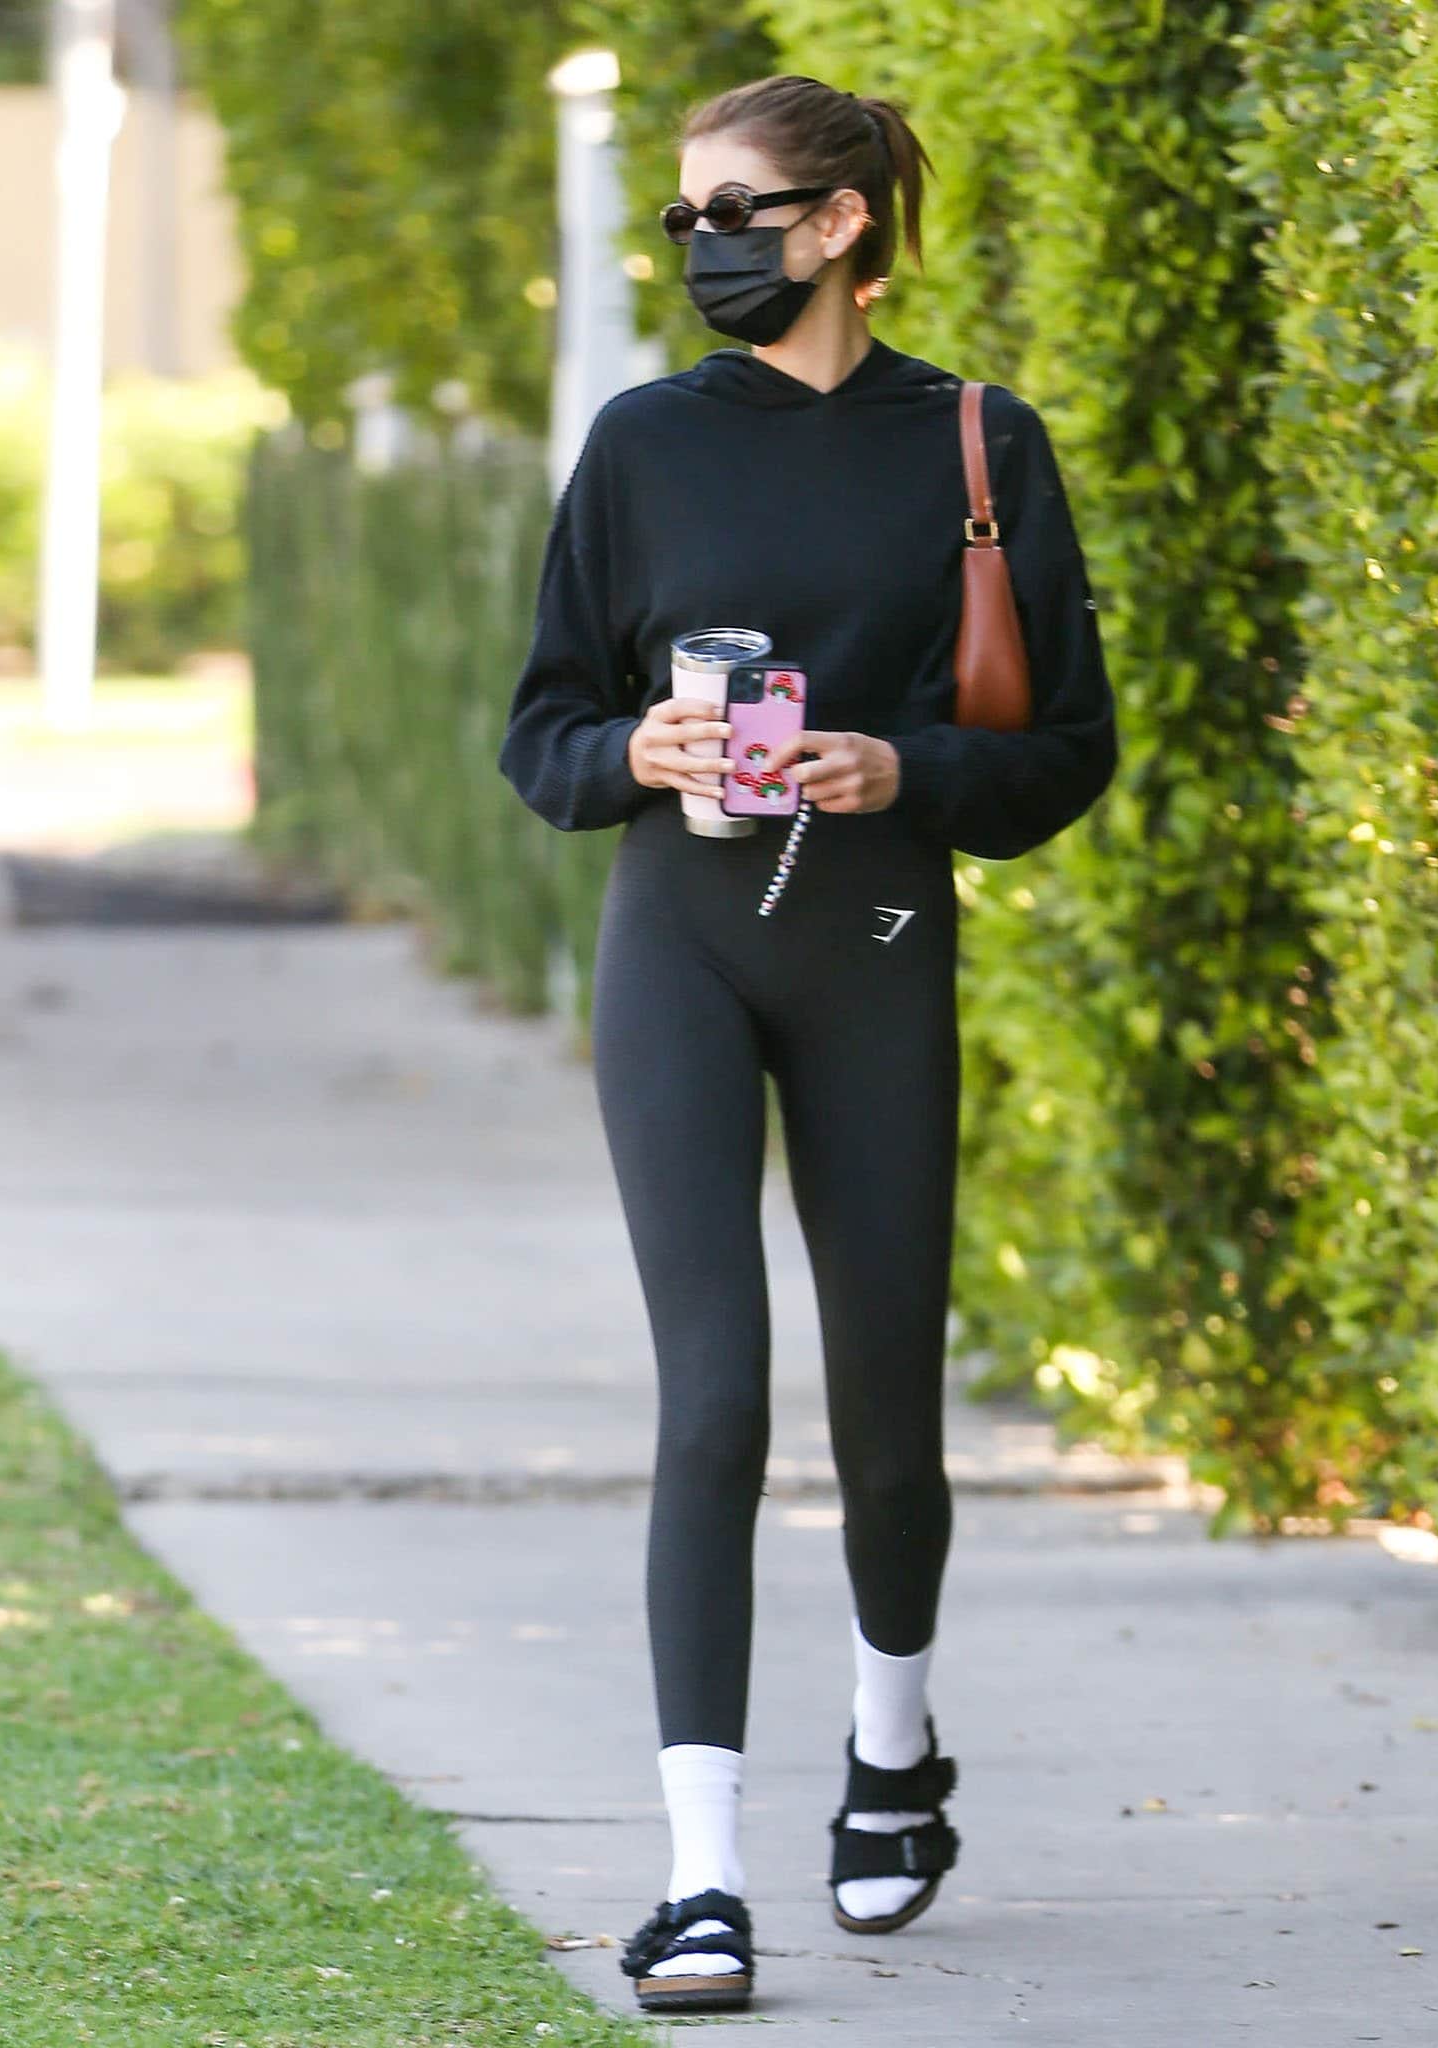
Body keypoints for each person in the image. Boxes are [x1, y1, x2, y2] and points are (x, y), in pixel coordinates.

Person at [498, 70, 1117, 2017]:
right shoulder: (640, 447)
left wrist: (894, 764)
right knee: (711, 1397)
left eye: (734, 212)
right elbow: (538, 735)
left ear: (841, 223)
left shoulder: (974, 444)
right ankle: (699, 1877)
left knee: (879, 1403)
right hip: (676, 948)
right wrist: (634, 753)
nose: (703, 249)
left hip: (872, 935)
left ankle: (897, 1742)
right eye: (683, 219)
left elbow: (1060, 755)